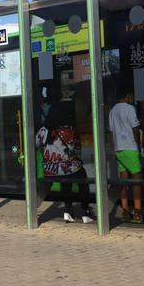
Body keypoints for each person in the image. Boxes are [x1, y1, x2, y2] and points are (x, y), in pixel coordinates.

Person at [36, 89, 93, 224]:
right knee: (82, 178)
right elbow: (77, 147)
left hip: (50, 170)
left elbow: (36, 143)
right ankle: (85, 212)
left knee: (65, 183)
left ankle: (67, 211)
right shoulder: (69, 130)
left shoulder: (44, 131)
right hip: (67, 168)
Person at [109, 87, 144, 223]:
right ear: (127, 96)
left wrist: (114, 149)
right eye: (131, 96)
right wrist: (139, 146)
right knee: (137, 182)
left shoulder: (112, 110)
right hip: (131, 148)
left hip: (119, 149)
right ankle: (138, 212)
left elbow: (111, 132)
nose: (132, 99)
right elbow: (135, 129)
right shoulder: (130, 109)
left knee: (123, 182)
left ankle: (125, 211)